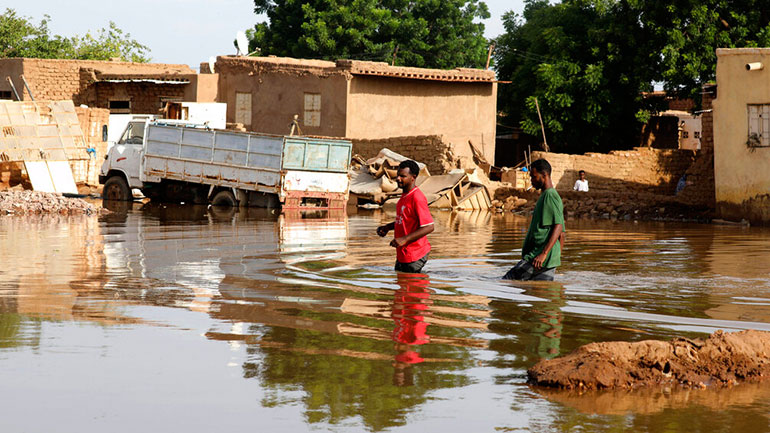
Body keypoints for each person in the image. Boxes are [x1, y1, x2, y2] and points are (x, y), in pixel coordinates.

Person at [504, 159, 564, 281]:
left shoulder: (550, 195)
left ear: (544, 175)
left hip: (537, 256)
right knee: (539, 293)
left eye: (534, 177)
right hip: (543, 260)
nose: (531, 180)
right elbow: (561, 235)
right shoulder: (546, 196)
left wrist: (544, 254)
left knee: (506, 281)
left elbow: (559, 227)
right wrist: (554, 257)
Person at [377, 160, 434, 273]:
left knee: (412, 286)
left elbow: (429, 226)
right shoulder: (403, 198)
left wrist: (404, 239)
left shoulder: (417, 198)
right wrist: (387, 227)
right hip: (403, 253)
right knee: (401, 284)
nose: (398, 178)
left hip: (415, 253)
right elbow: (404, 221)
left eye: (403, 176)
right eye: (398, 175)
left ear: (413, 177)